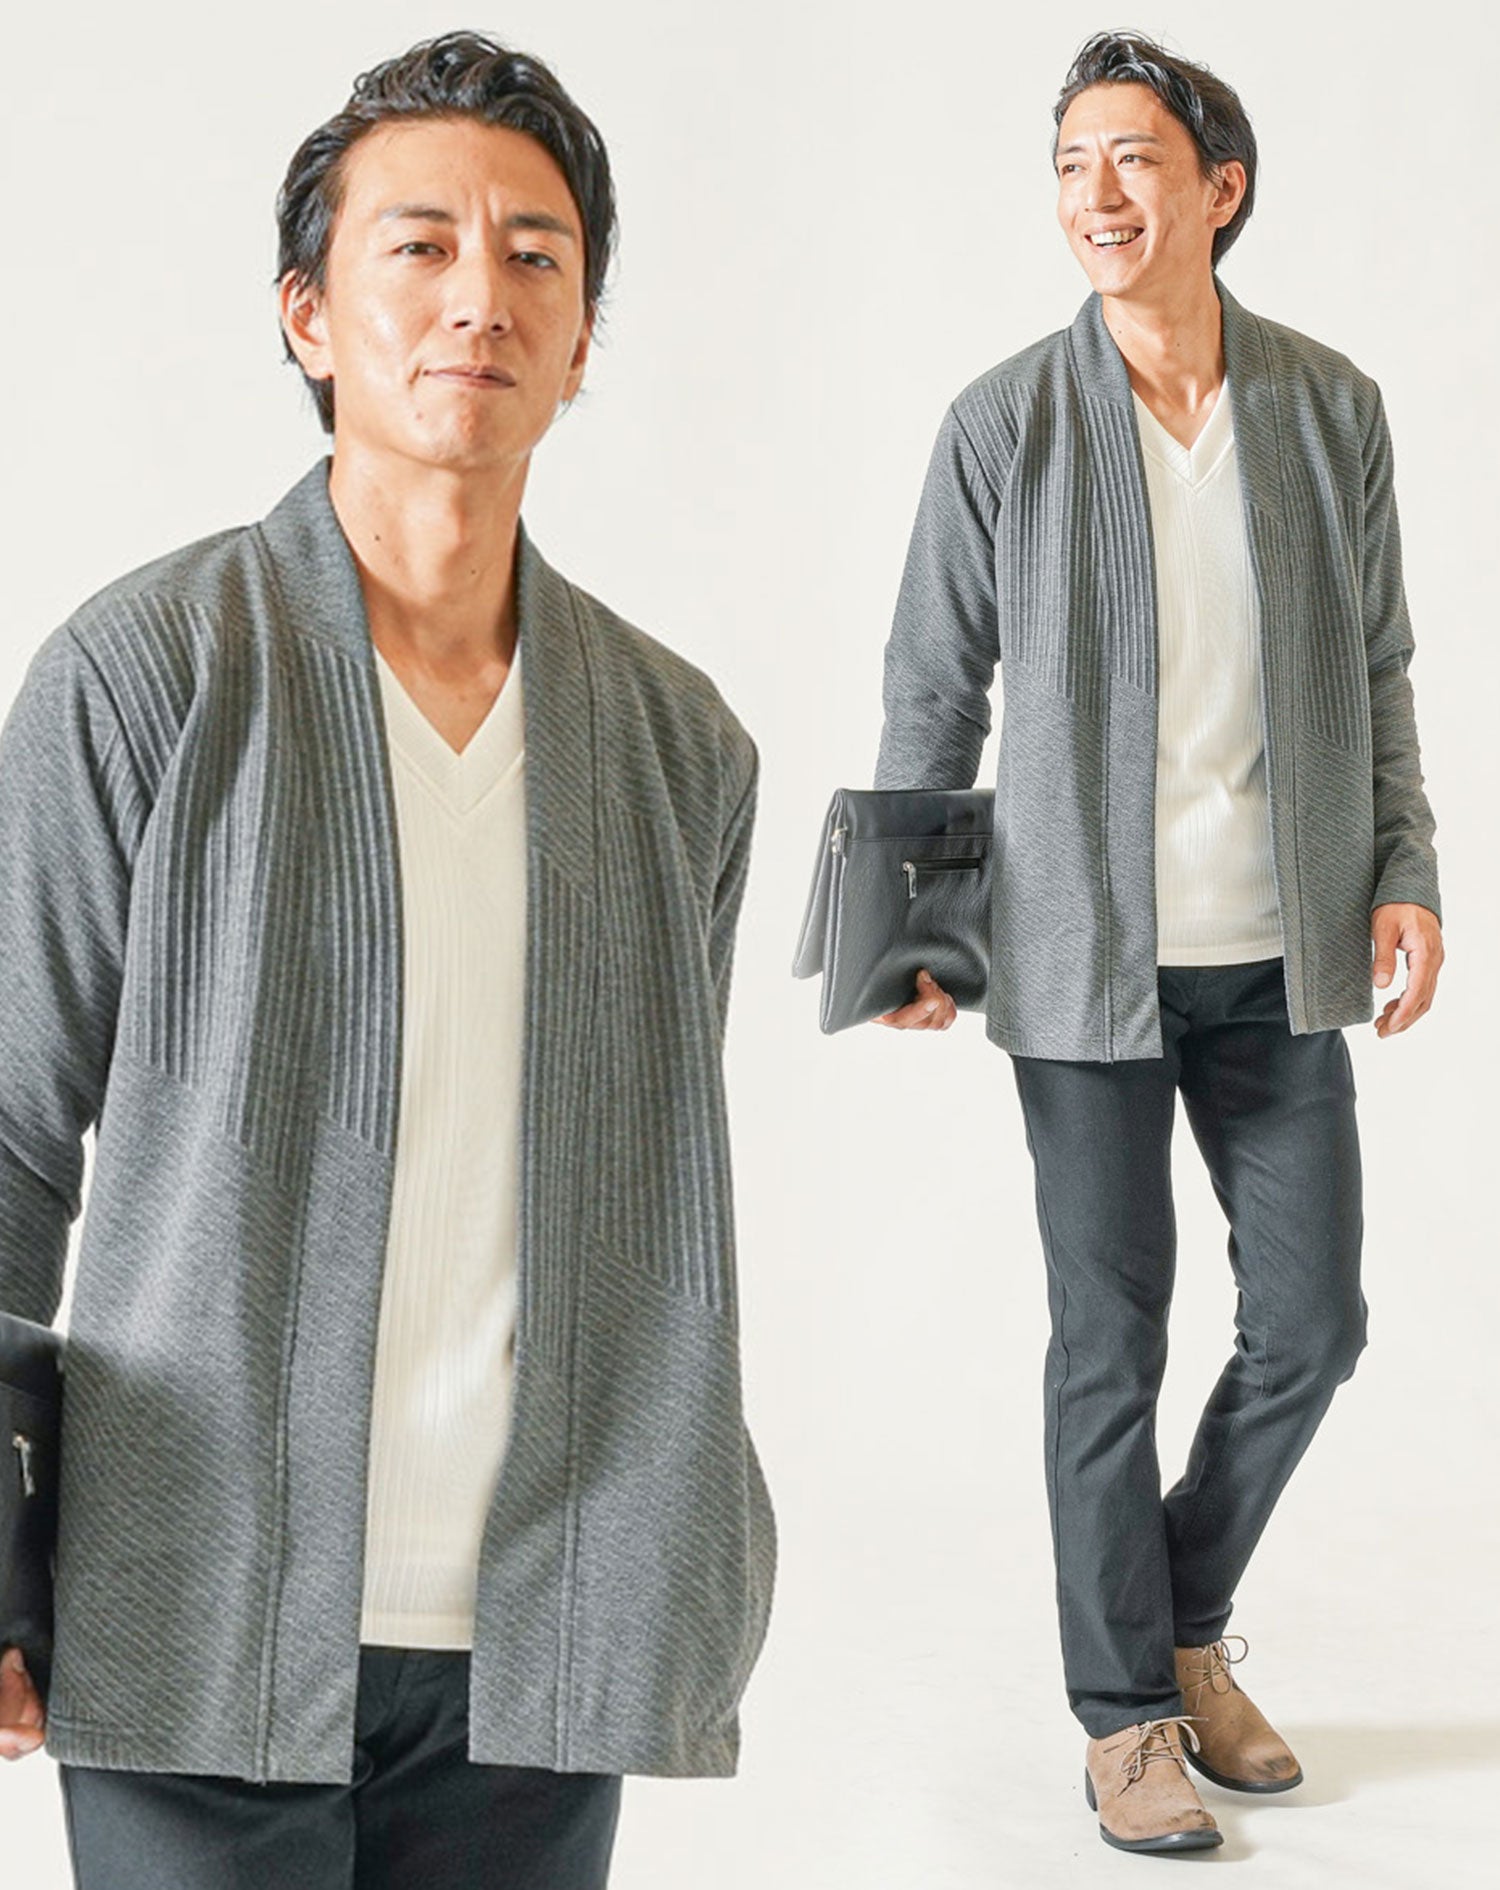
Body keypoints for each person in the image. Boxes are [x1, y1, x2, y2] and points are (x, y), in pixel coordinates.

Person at [0, 29, 775, 1888]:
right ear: (309, 314)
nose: (478, 295)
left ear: (582, 342)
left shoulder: (682, 747)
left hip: (543, 1644)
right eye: (419, 245)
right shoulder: (141, 675)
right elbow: (15, 1138)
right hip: (194, 1613)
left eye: (535, 254)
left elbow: (630, 1179)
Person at [870, 29, 1442, 1857]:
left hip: (1282, 952)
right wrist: (914, 928)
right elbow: (933, 685)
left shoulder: (1328, 406)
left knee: (1318, 1325)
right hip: (1080, 964)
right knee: (1107, 1345)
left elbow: (1379, 667)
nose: (1094, 196)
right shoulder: (1005, 422)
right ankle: (1127, 1716)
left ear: (1220, 186)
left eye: (1130, 158)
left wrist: (1406, 866)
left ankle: (1179, 1624)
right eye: (1069, 165)